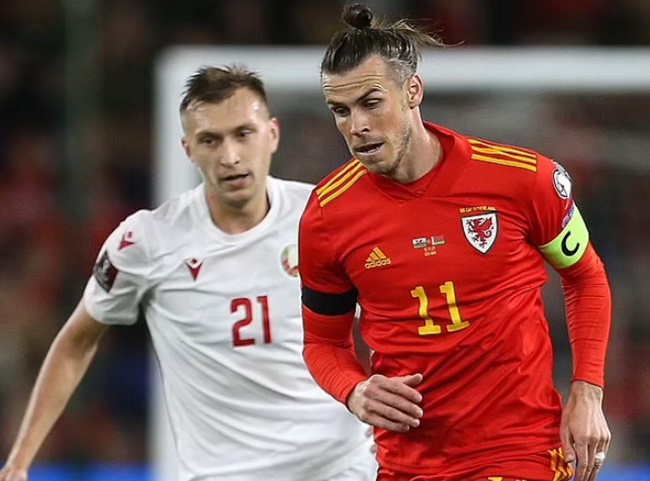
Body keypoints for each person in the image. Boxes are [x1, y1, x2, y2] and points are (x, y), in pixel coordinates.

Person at [0, 66, 376, 481]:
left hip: (341, 467)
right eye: (210, 140)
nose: (230, 156)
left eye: (243, 134)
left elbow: (394, 321)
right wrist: (19, 462)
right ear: (188, 149)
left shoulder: (327, 218)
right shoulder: (147, 242)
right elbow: (75, 343)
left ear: (272, 134)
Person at [298, 4, 611, 481]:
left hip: (518, 449)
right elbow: (323, 342)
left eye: (371, 103)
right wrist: (353, 390)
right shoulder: (327, 215)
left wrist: (588, 391)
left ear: (413, 91)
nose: (356, 125)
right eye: (341, 111)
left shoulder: (523, 180)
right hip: (405, 463)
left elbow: (586, 276)